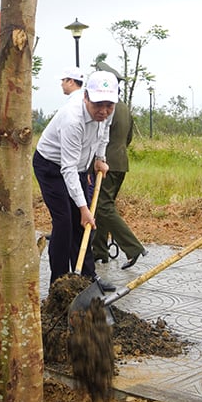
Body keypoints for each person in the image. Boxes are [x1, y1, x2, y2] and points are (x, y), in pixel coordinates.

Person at [33, 70, 118, 291]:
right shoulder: (73, 118)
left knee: (82, 226)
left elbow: (104, 134)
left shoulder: (108, 113)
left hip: (79, 166)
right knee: (64, 222)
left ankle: (87, 277)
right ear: (86, 96)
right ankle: (60, 283)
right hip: (51, 166)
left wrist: (100, 158)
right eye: (98, 104)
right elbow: (67, 168)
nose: (103, 111)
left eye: (109, 105)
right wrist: (83, 207)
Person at [90, 63, 148, 269]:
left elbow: (99, 135)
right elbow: (129, 137)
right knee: (100, 208)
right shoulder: (124, 108)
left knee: (103, 207)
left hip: (106, 163)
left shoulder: (106, 109)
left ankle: (133, 248)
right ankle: (100, 251)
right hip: (121, 163)